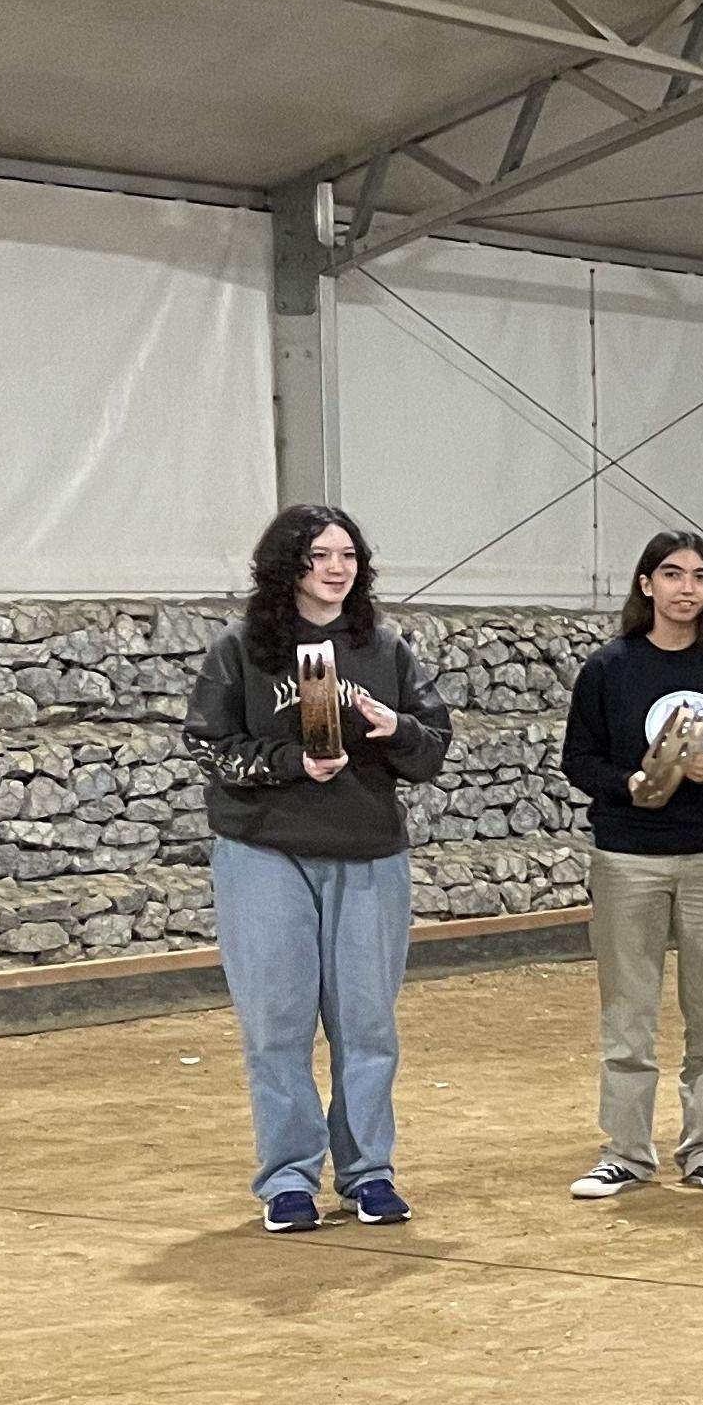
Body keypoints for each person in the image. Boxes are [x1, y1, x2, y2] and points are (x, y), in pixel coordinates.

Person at [185, 505, 453, 1232]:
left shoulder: (386, 648)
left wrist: (395, 727)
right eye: (319, 556)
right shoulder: (241, 649)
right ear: (286, 566)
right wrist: (290, 763)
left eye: (347, 555)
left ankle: (368, 1174)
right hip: (265, 852)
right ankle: (289, 1180)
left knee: (366, 1023)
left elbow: (432, 750)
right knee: (277, 1024)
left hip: (368, 854)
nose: (337, 568)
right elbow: (209, 745)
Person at [560, 530, 703, 1198]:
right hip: (628, 858)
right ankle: (626, 1152)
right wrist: (628, 783)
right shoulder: (610, 668)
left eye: (700, 577)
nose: (687, 588)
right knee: (628, 1014)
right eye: (673, 574)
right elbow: (579, 759)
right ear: (646, 585)